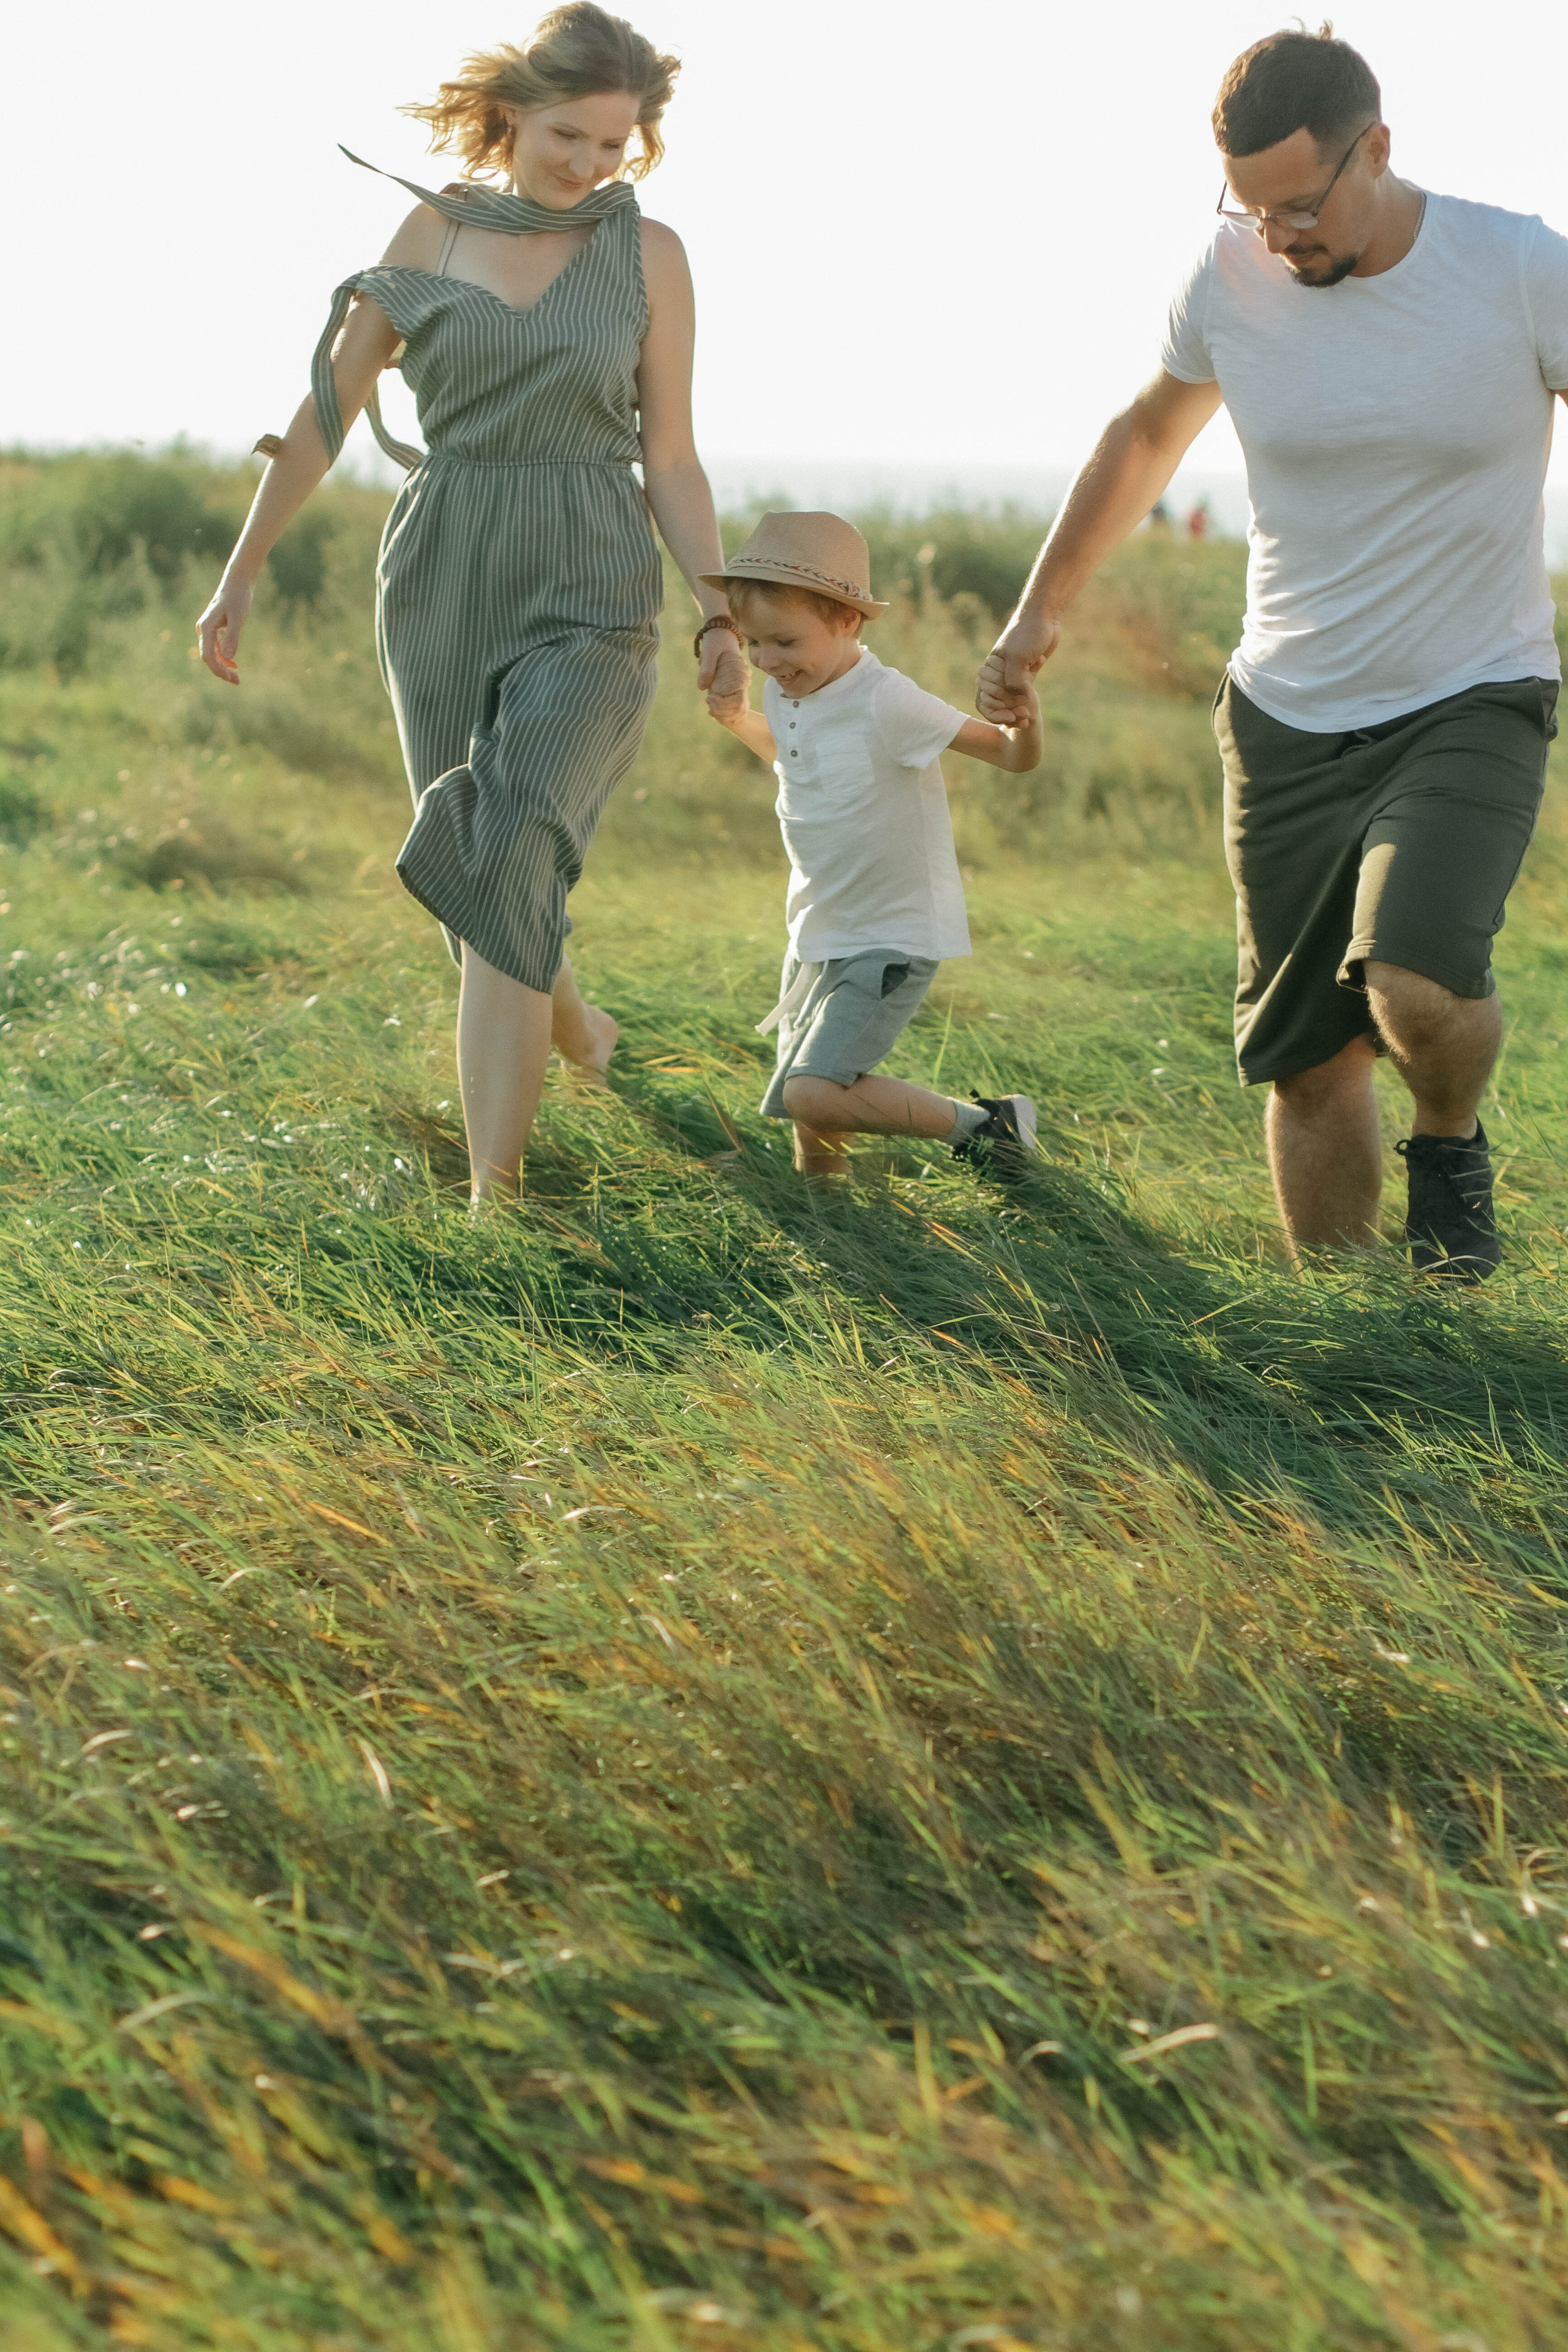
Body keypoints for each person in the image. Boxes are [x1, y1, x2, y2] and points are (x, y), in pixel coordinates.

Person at [979, 24, 1567, 1279]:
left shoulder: (1514, 266)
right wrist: (1038, 612)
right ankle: (1360, 1336)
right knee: (1305, 1061)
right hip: (1284, 706)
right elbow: (1144, 437)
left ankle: (1448, 1140)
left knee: (1412, 977)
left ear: (1378, 150)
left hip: (1469, 690)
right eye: (1248, 211)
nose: (1277, 238)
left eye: (1298, 206)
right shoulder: (1227, 276)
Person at [196, 6, 745, 1205]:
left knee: (509, 845)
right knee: (476, 871)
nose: (592, 167)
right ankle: (573, 1025)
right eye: (570, 137)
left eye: (615, 144)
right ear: (511, 112)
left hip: (592, 580)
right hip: (442, 572)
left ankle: (497, 1202)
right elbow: (323, 419)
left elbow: (677, 459)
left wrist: (717, 611)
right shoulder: (429, 233)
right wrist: (239, 572)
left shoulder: (647, 254)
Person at [703, 513, 1044, 1183]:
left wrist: (1023, 719)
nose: (768, 661)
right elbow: (793, 760)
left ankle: (988, 1129)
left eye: (785, 641)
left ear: (847, 621)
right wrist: (736, 718)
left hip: (887, 935)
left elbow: (1010, 758)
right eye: (754, 643)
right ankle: (828, 1217)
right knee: (812, 1103)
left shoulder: (886, 700)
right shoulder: (782, 691)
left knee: (811, 1088)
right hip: (816, 930)